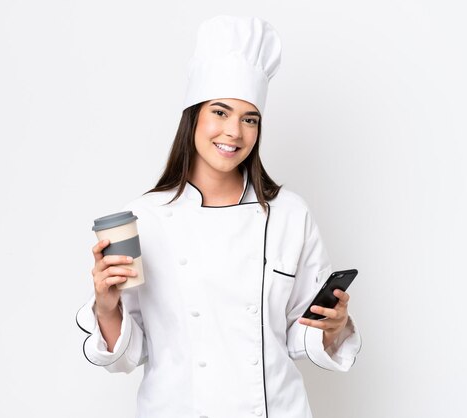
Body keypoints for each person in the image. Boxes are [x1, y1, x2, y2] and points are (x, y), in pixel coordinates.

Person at [76, 15, 361, 418]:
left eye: (250, 119)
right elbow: (128, 354)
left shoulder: (288, 215)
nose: (234, 132)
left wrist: (332, 325)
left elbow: (300, 334)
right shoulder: (146, 217)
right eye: (221, 112)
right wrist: (106, 305)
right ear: (194, 116)